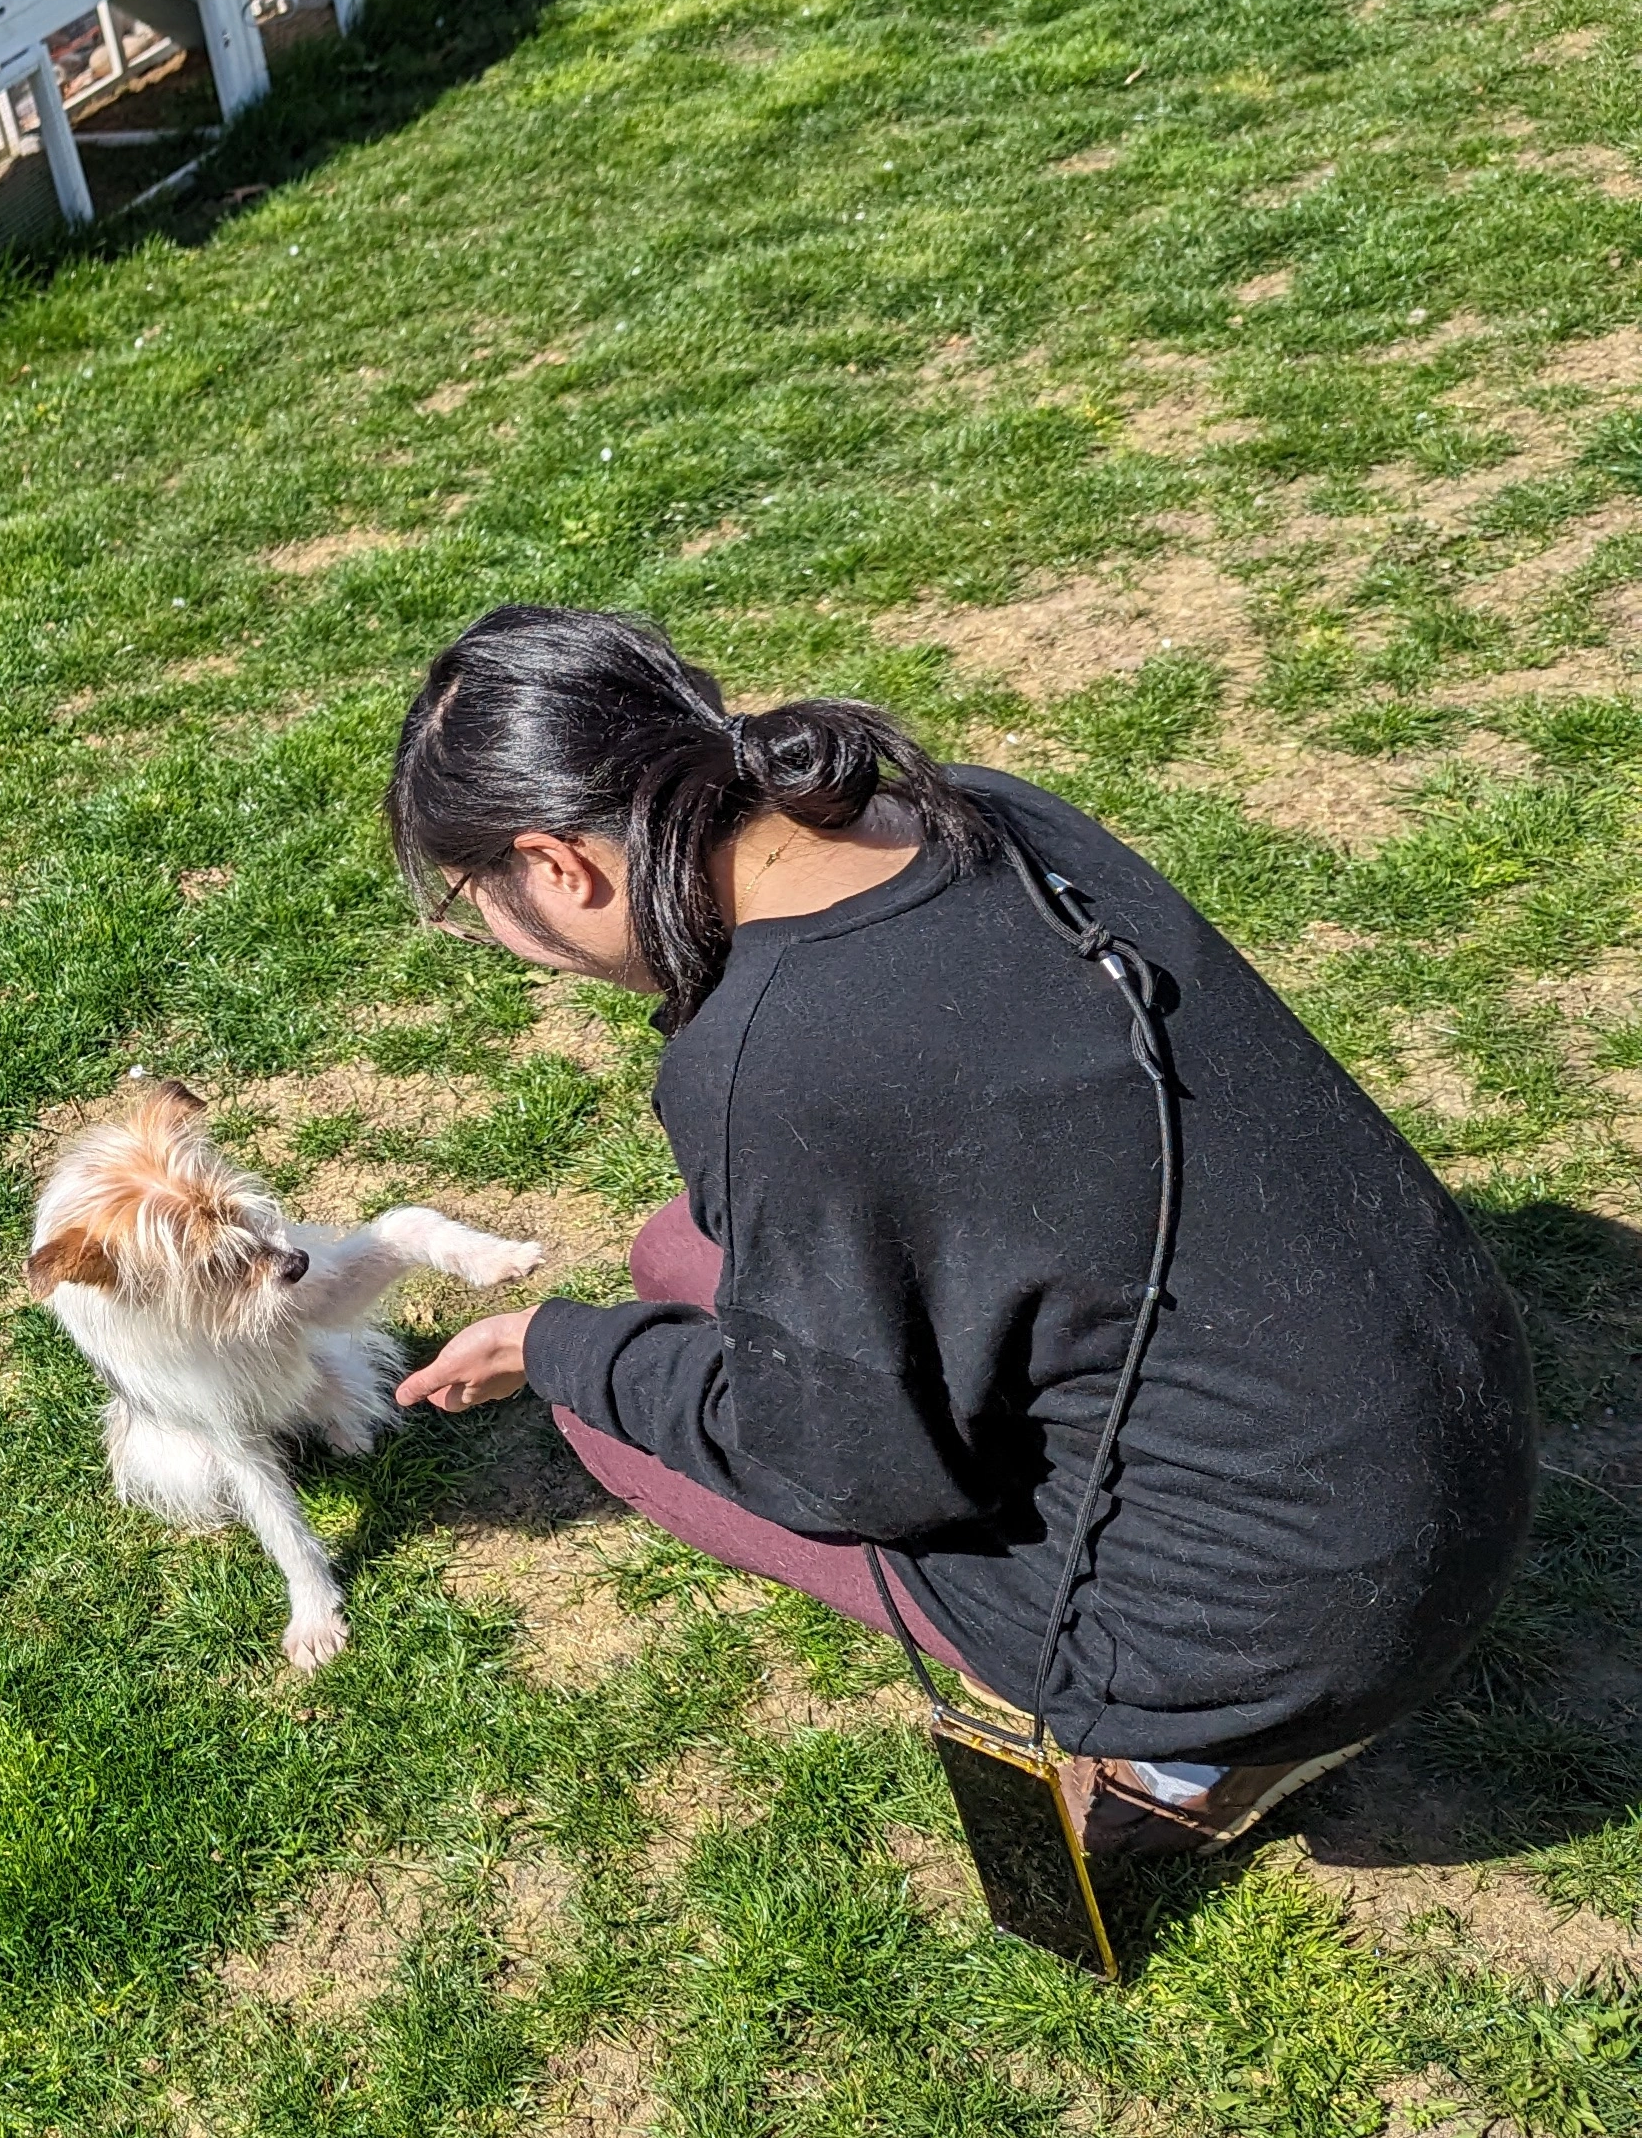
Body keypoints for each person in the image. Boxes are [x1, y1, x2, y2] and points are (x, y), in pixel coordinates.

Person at [382, 606, 1536, 1854]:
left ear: (560, 865)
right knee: (677, 1257)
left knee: (614, 1433)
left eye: (470, 904)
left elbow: (849, 1476)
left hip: (1275, 1632)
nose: (494, 940)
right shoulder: (980, 809)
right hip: (1461, 1443)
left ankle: (1181, 1753)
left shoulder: (772, 1064)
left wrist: (561, 1348)